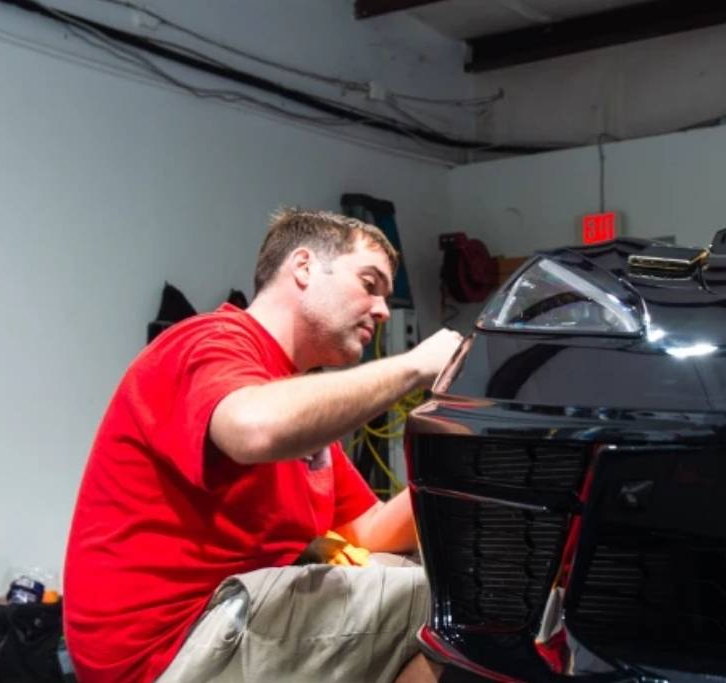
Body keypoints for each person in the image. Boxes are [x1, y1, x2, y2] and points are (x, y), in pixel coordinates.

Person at [63, 209, 464, 683]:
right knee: (465, 604)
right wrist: (414, 365)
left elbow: (369, 530)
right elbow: (253, 429)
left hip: (227, 617)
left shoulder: (294, 401)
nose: (381, 308)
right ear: (304, 267)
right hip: (167, 648)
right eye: (369, 283)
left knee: (415, 570)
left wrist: (471, 476)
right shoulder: (208, 341)